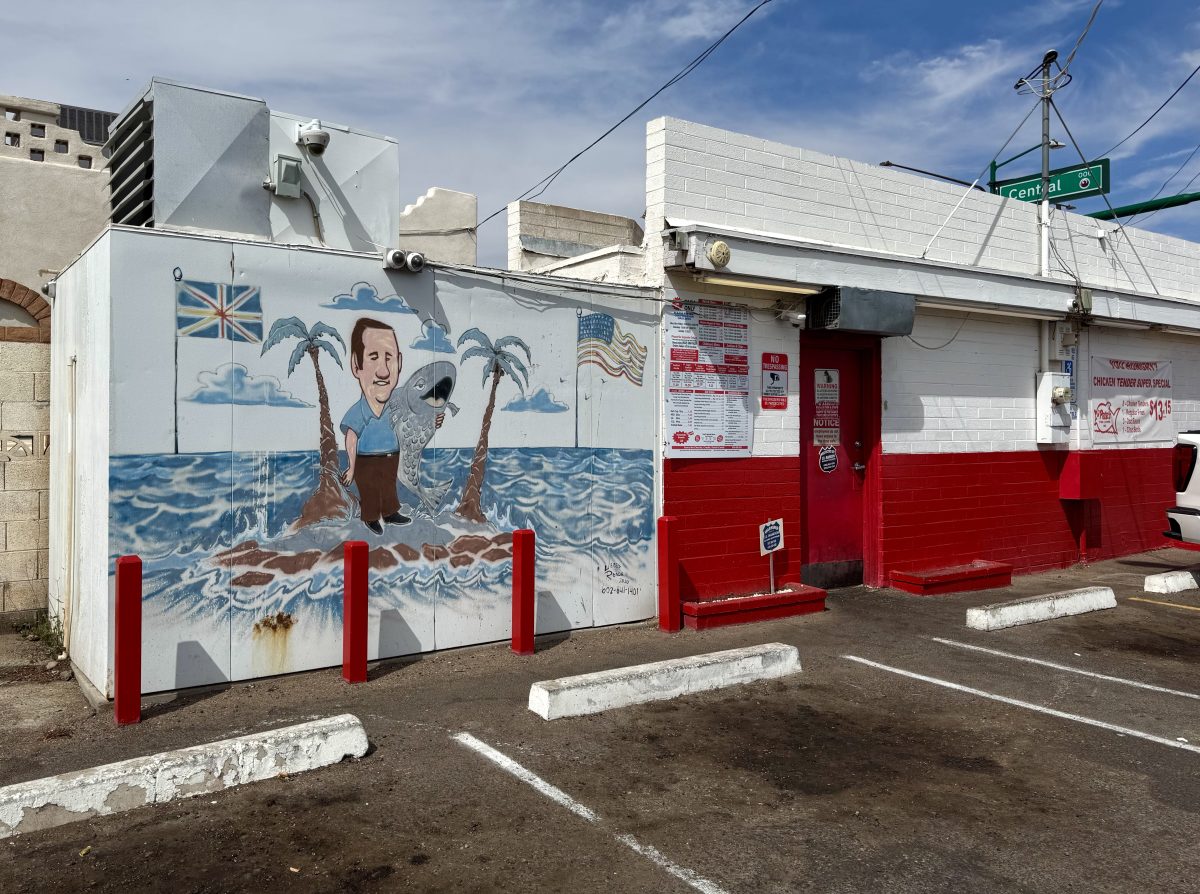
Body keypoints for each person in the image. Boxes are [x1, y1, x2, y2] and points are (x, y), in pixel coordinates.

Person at [340, 318, 410, 534]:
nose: (383, 371)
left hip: (391, 456)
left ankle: (390, 513)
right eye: (373, 357)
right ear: (356, 365)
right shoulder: (359, 411)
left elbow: (412, 422)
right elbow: (351, 437)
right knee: (369, 490)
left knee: (389, 488)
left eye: (389, 358)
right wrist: (351, 468)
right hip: (366, 460)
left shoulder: (396, 406)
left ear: (399, 362)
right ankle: (371, 517)